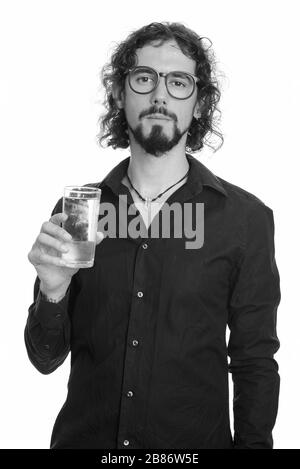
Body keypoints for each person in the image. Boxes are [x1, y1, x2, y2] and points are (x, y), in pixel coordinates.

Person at [25, 22, 281, 449]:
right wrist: (52, 292)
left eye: (178, 82)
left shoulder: (245, 220)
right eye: (144, 79)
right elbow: (44, 359)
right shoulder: (79, 214)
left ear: (199, 104)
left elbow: (255, 362)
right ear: (120, 95)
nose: (160, 95)